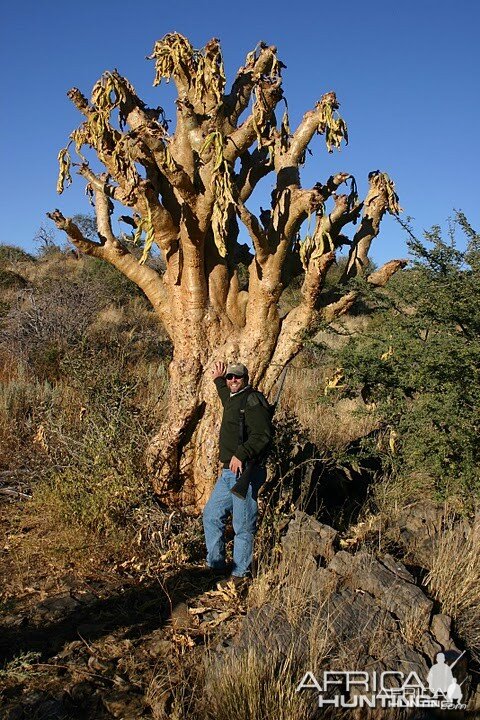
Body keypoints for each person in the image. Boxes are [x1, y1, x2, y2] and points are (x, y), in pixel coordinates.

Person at [202, 361, 273, 586]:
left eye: (237, 377)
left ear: (246, 379)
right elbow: (226, 396)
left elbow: (262, 435)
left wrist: (241, 453)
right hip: (227, 473)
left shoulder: (253, 400)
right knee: (211, 515)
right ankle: (216, 565)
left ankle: (240, 574)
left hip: (244, 471)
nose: (233, 380)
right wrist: (217, 379)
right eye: (230, 377)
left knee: (243, 525)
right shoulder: (233, 398)